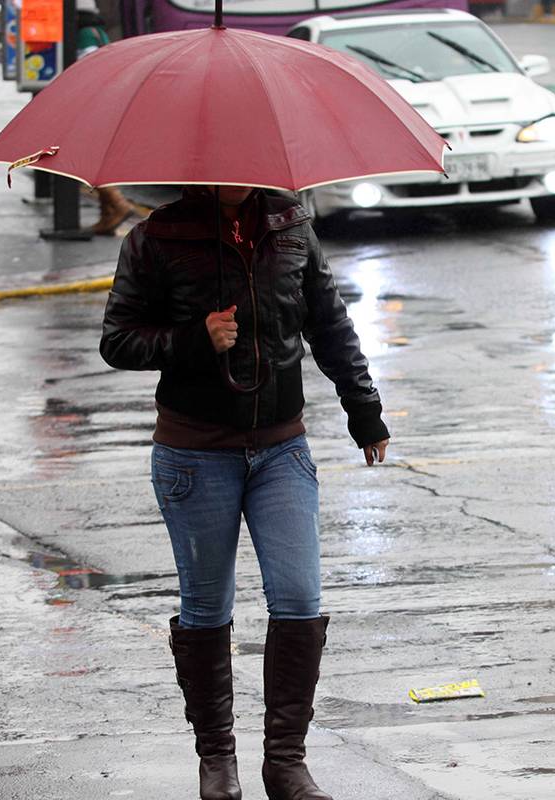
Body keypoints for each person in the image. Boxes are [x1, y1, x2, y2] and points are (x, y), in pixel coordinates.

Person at [99, 185, 390, 800]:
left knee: (300, 599)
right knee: (207, 608)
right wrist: (193, 337)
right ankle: (217, 761)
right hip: (195, 452)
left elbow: (330, 323)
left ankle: (285, 762)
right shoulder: (156, 238)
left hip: (282, 447)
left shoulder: (290, 228)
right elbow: (118, 340)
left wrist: (363, 408)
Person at [76, 7, 138, 235]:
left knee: (86, 158)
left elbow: (88, 64)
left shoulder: (84, 34)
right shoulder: (98, 31)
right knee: (95, 156)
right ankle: (108, 215)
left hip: (92, 102)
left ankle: (118, 204)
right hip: (104, 102)